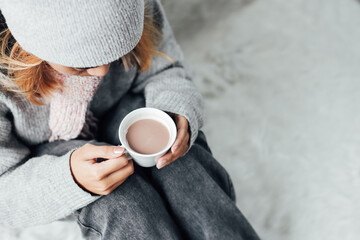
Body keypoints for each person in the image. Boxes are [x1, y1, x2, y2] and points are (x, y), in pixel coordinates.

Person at [0, 0, 260, 239]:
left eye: (118, 52)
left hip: (124, 106)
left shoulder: (137, 6)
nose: (103, 71)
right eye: (81, 66)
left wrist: (176, 108)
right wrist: (70, 180)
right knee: (122, 203)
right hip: (42, 159)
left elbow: (166, 68)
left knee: (182, 163)